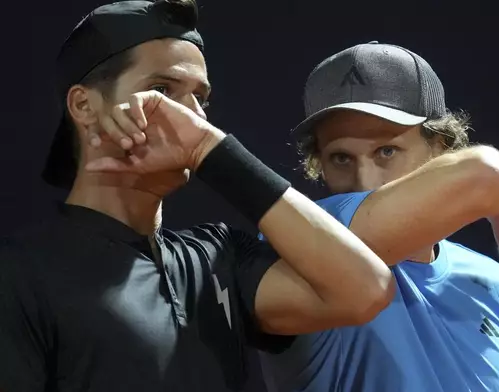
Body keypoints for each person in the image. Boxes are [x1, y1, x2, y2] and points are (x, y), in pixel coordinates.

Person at [0, 4, 396, 392]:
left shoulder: (216, 256)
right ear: (84, 105)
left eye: (200, 100)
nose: (194, 118)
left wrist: (213, 150)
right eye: (162, 91)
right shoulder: (19, 273)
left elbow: (367, 290)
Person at [258, 41, 499, 391]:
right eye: (341, 159)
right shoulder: (296, 244)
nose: (365, 182)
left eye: (386, 151)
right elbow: (485, 173)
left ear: (441, 148)